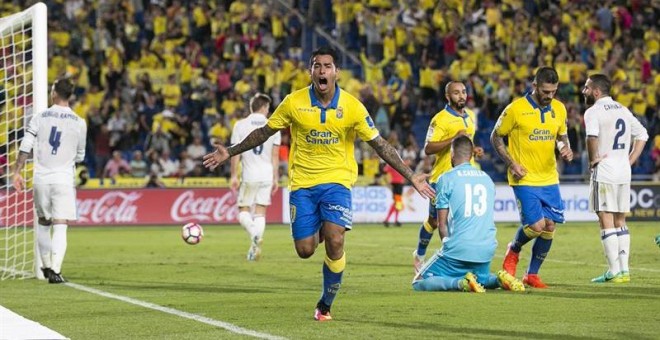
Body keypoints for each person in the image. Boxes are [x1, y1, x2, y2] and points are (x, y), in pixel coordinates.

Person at [203, 46, 434, 321]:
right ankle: (322, 227)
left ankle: (325, 304)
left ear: (336, 72)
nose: (322, 70)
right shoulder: (293, 102)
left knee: (335, 240)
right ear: (310, 71)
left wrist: (411, 176)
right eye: (317, 65)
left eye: (327, 66)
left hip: (337, 182)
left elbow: (380, 145)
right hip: (302, 185)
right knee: (305, 250)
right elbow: (264, 133)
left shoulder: (352, 106)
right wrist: (229, 151)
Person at [490, 66, 573, 288]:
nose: (550, 96)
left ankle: (532, 274)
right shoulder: (515, 109)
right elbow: (495, 137)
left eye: (553, 91)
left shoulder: (559, 108)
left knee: (550, 226)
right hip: (524, 177)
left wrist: (566, 148)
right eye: (546, 91)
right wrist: (511, 163)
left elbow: (562, 135)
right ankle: (513, 249)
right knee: (536, 226)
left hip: (549, 177)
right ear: (534, 86)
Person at [413, 135, 524, 293]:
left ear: (452, 154)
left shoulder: (445, 179)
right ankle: (498, 279)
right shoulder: (487, 179)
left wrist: (448, 244)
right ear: (472, 155)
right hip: (487, 248)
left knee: (419, 281)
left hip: (459, 247)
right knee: (481, 278)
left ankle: (461, 284)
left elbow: (441, 224)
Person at [11, 78, 87, 284]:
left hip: (41, 179)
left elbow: (26, 146)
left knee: (44, 223)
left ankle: (45, 265)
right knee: (61, 224)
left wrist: (16, 172)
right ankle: (55, 268)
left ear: (54, 93)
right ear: (69, 95)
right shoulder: (80, 123)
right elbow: (80, 156)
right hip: (63, 179)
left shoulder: (39, 117)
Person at [582, 74, 648, 283]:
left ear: (596, 92)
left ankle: (614, 271)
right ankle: (625, 270)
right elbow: (643, 135)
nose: (583, 91)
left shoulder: (593, 111)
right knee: (621, 220)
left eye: (586, 88)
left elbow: (591, 137)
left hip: (605, 171)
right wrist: (630, 160)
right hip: (623, 171)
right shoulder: (622, 109)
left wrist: (593, 160)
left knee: (606, 218)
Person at [413, 81, 482, 273]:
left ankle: (460, 259)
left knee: (462, 219)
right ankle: (419, 255)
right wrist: (453, 138)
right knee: (434, 221)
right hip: (443, 178)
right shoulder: (440, 119)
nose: (461, 96)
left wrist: (474, 150)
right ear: (447, 96)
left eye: (464, 92)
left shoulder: (471, 116)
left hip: (466, 176)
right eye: (456, 93)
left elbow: (466, 144)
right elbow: (428, 148)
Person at [230, 93, 281, 261]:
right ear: (265, 107)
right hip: (266, 174)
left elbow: (235, 153)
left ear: (252, 107)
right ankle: (254, 244)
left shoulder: (240, 125)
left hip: (249, 174)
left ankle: (254, 236)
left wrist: (233, 176)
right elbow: (275, 156)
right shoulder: (273, 125)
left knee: (243, 210)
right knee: (260, 212)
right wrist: (275, 178)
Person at [382, 159, 410, 227]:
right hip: (399, 184)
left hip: (394, 184)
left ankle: (391, 220)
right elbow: (408, 167)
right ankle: (391, 220)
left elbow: (384, 170)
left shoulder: (390, 165)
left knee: (397, 202)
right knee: (397, 202)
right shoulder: (401, 164)